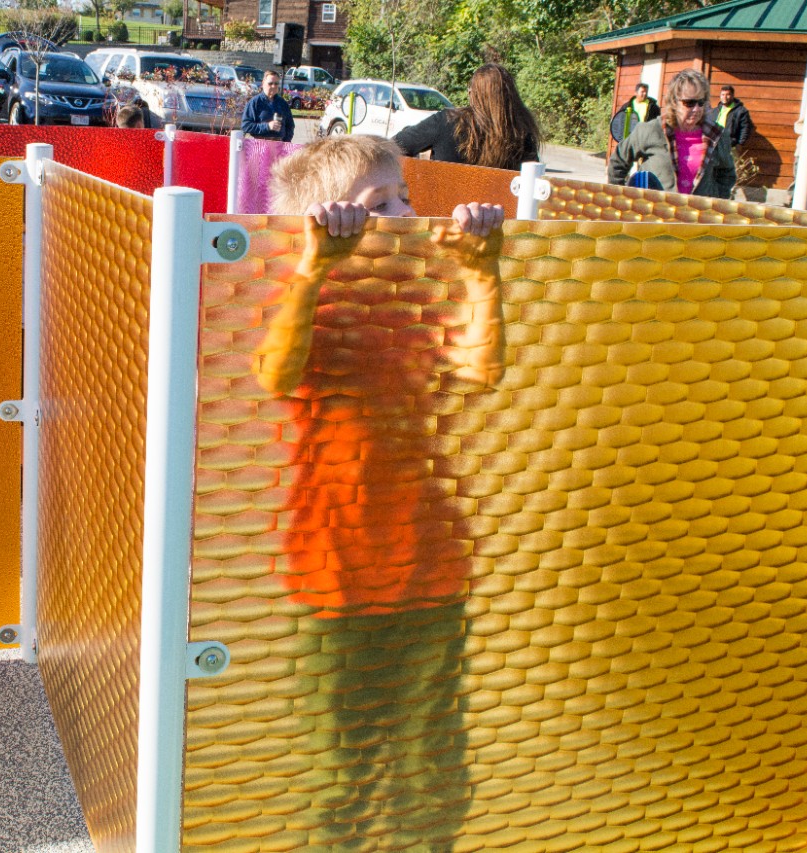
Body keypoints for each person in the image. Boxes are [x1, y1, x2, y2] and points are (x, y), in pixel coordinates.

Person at [258, 134, 505, 849]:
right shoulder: (310, 302)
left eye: (404, 196)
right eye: (380, 203)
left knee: (431, 766)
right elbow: (276, 375)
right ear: (326, 222)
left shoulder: (418, 301)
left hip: (430, 568)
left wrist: (482, 273)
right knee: (336, 771)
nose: (405, 214)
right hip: (335, 575)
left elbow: (479, 373)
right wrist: (313, 269)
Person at [608, 68, 736, 199]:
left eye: (701, 102)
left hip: (697, 216)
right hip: (654, 214)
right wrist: (621, 200)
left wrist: (716, 201)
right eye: (689, 103)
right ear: (674, 102)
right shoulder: (651, 130)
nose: (697, 108)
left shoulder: (716, 135)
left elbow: (727, 174)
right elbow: (618, 161)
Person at [394, 63, 541, 170]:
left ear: (473, 95)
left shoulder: (447, 120)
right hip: (501, 211)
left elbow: (394, 145)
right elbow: (531, 180)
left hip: (447, 209)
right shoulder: (522, 134)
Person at [241, 69, 293, 142]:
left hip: (279, 146)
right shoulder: (254, 103)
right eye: (270, 83)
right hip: (259, 144)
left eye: (276, 83)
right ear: (263, 83)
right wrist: (267, 126)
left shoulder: (283, 103)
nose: (273, 86)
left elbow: (290, 126)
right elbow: (246, 126)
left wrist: (285, 142)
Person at [706, 84, 754, 149]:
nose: (725, 97)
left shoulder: (740, 111)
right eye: (723, 95)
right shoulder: (715, 111)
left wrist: (740, 144)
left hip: (730, 146)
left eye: (727, 95)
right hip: (714, 145)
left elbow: (745, 128)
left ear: (732, 96)